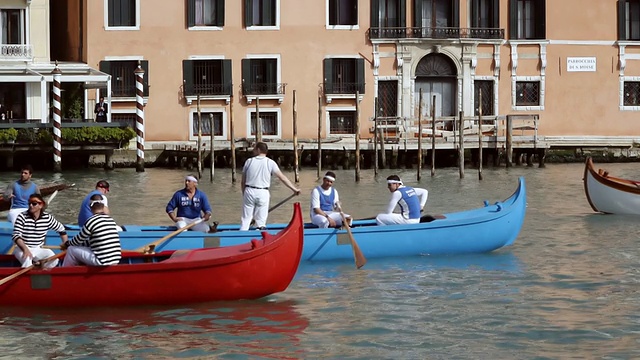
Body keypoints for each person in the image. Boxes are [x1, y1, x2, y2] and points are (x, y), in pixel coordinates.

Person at [240, 142, 301, 231]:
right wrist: (294, 189)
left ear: (258, 150)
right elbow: (282, 177)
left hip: (249, 190)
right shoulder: (270, 162)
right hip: (263, 192)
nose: (253, 151)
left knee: (246, 219)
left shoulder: (249, 162)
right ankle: (259, 233)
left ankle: (242, 234)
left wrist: (244, 193)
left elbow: (243, 182)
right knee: (260, 221)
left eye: (254, 149)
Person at [61, 194, 121, 266]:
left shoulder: (91, 221)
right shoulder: (111, 220)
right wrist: (77, 244)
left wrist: (67, 244)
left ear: (90, 207)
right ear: (103, 206)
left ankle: (65, 273)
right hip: (115, 260)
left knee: (71, 249)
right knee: (78, 247)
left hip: (101, 261)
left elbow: (79, 239)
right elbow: (91, 241)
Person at [12, 194, 67, 269]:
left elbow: (61, 230)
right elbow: (16, 236)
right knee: (27, 259)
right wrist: (25, 249)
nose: (31, 205)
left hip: (38, 248)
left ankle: (40, 272)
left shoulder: (47, 218)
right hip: (22, 248)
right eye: (29, 203)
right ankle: (28, 277)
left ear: (41, 205)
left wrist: (65, 244)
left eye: (34, 203)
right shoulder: (22, 217)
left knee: (53, 259)